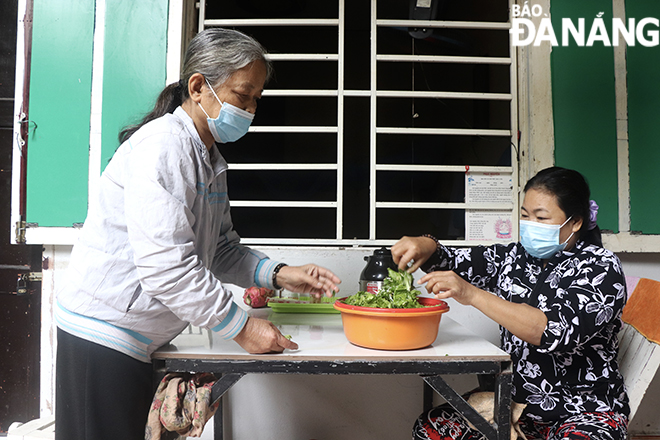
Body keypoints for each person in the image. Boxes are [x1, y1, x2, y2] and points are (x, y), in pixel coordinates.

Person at [55, 28, 341, 440]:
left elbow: (221, 248)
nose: (250, 108)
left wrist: (279, 274)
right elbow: (167, 268)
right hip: (102, 334)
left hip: (137, 339)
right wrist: (242, 328)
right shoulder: (165, 147)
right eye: (243, 95)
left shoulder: (207, 157)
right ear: (198, 87)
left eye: (256, 98)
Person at [391, 167, 629, 440]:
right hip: (516, 406)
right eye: (525, 215)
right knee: (431, 430)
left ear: (574, 222)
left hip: (583, 411)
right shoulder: (515, 257)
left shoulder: (601, 268)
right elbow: (453, 261)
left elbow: (549, 330)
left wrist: (472, 295)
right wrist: (426, 244)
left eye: (541, 217)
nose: (529, 224)